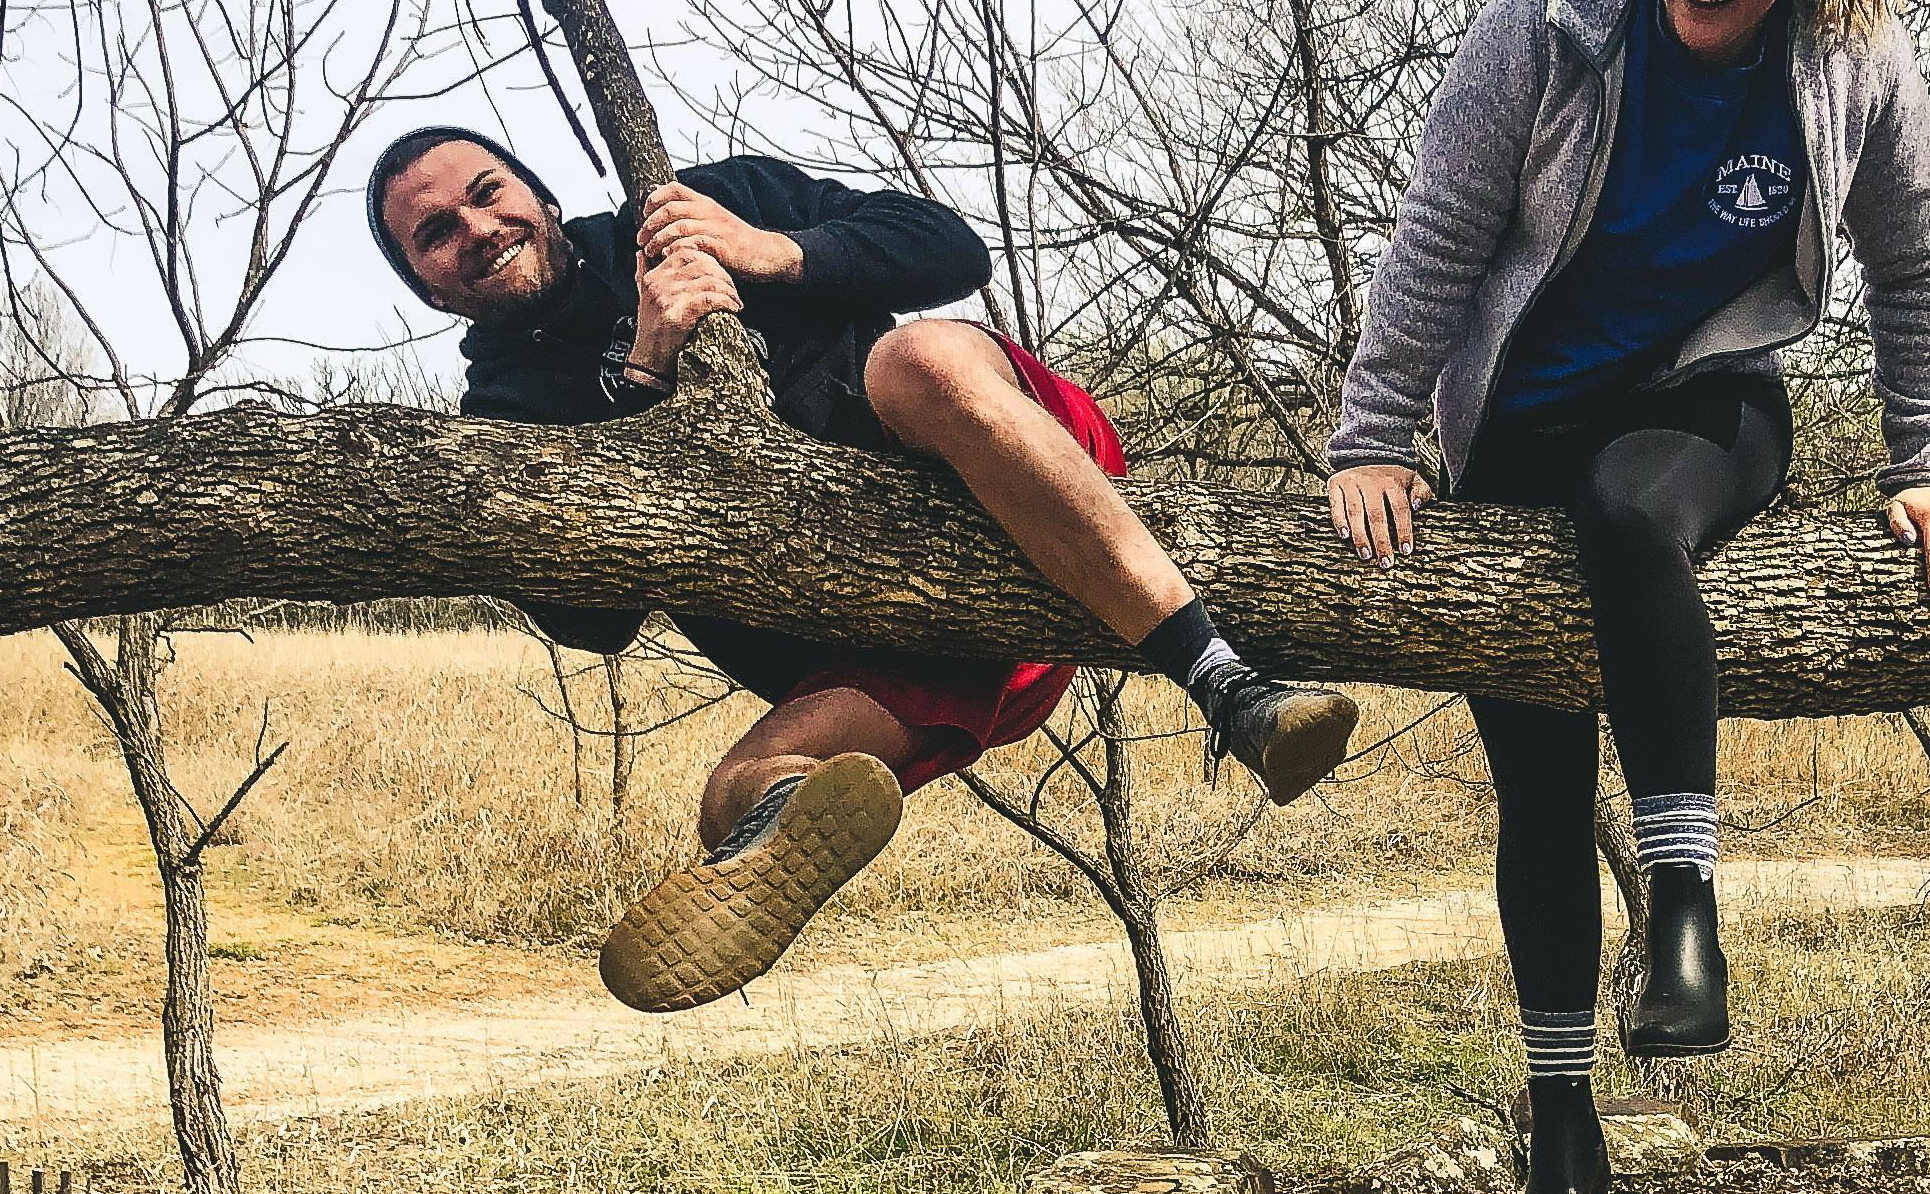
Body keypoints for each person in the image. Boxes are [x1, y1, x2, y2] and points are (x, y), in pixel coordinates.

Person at [1325, 0, 1930, 1194]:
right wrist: (1373, 437)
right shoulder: (1558, 15)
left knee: (1637, 521)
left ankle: (1685, 909)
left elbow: (1917, 266)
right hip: (1517, 427)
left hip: (1700, 404)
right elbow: (1438, 221)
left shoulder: (1852, 60)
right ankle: (1559, 1115)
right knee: (1530, 780)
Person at [370, 132, 1357, 1014]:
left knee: (913, 359)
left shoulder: (691, 204)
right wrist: (644, 375)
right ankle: (797, 809)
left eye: (487, 191)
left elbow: (946, 247)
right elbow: (592, 623)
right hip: (908, 647)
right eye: (435, 234)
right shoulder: (501, 414)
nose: (475, 227)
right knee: (736, 799)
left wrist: (772, 252)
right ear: (429, 287)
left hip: (1023, 472)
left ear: (538, 194)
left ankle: (1229, 686)